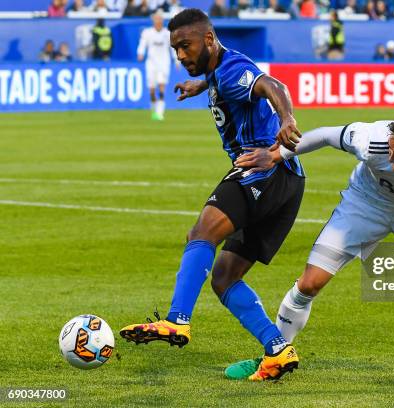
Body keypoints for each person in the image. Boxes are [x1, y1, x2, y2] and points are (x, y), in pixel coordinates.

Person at [226, 110, 394, 392]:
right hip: (365, 205)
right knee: (310, 283)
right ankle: (275, 354)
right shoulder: (374, 138)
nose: (391, 159)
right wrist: (278, 155)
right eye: (391, 150)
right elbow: (326, 135)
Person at [119, 8, 305, 382]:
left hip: (262, 169)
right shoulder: (221, 68)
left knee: (201, 234)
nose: (180, 56)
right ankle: (278, 350)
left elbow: (274, 86)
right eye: (175, 50)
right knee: (223, 277)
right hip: (287, 182)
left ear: (207, 39)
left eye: (185, 46)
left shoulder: (232, 69)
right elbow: (223, 77)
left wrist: (287, 119)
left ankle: (177, 321)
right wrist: (201, 85)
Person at [137, 12, 176, 120]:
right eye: (156, 20)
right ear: (154, 21)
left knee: (161, 86)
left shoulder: (167, 33)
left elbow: (173, 48)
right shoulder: (147, 32)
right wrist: (140, 53)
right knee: (152, 90)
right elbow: (142, 44)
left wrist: (176, 60)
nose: (158, 22)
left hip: (164, 63)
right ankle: (154, 110)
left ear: (162, 21)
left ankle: (160, 112)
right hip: (151, 64)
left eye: (160, 20)